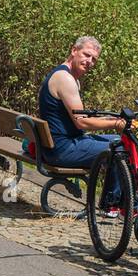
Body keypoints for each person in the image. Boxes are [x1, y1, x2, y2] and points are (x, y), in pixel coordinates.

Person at [38, 37, 126, 209]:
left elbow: (76, 119)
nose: (90, 62)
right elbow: (82, 123)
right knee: (120, 147)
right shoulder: (65, 79)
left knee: (119, 141)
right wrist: (115, 123)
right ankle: (112, 204)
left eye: (94, 59)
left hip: (56, 145)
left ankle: (120, 201)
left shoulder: (68, 76)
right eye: (87, 55)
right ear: (74, 51)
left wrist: (108, 120)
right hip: (61, 150)